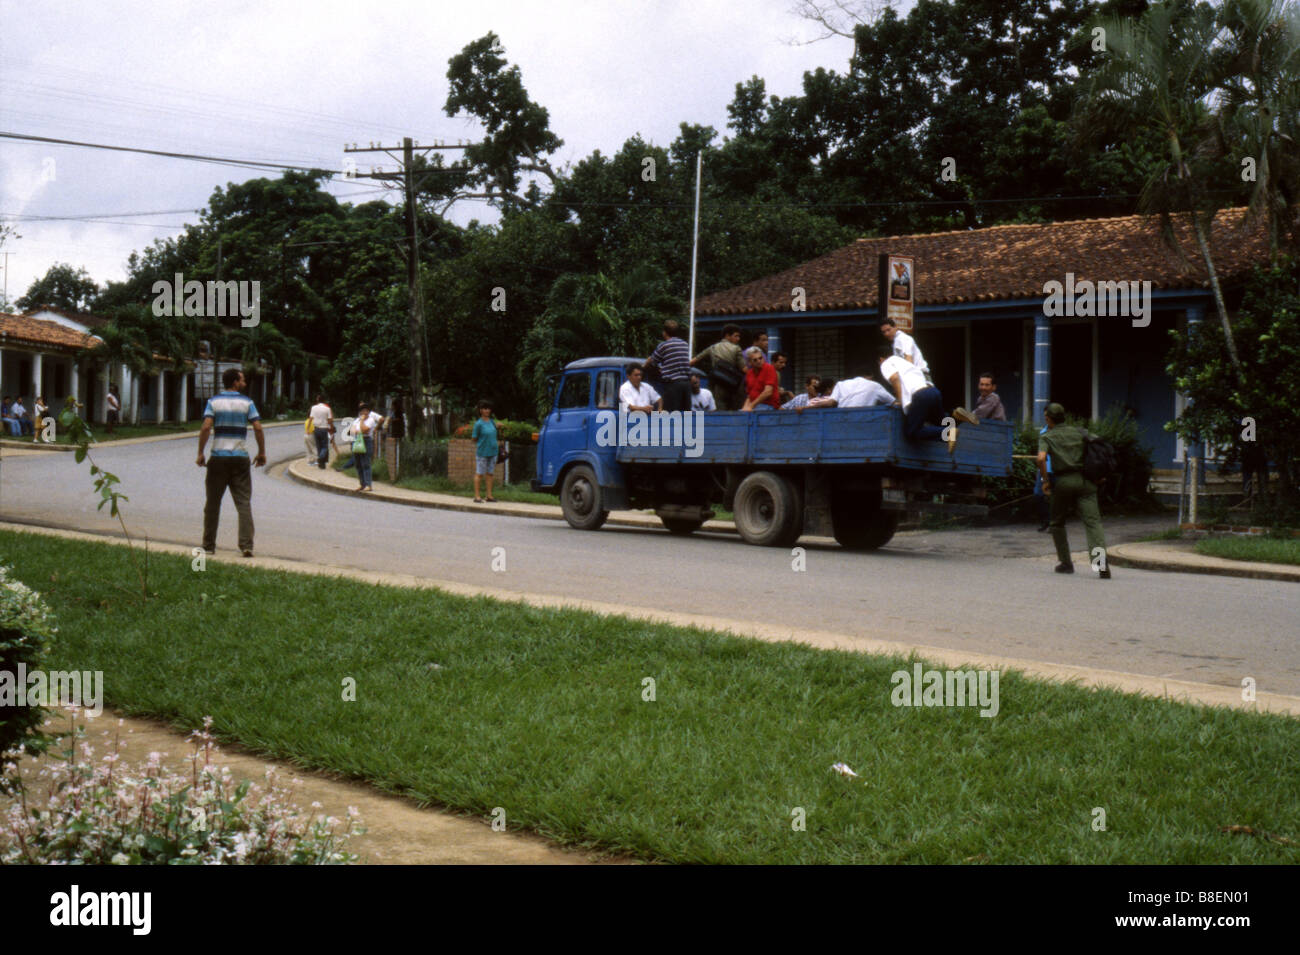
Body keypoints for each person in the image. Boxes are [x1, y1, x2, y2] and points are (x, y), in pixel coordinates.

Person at [196, 368, 265, 557]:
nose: (244, 383)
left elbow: (206, 426)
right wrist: (262, 452)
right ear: (235, 382)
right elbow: (258, 427)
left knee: (212, 503)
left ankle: (208, 545)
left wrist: (200, 452)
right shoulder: (247, 403)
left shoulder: (213, 402)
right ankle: (246, 545)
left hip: (218, 457)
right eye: (242, 380)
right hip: (240, 458)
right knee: (243, 503)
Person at [1037, 402, 1110, 578]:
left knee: (1057, 522)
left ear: (1048, 418)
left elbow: (1041, 459)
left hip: (1063, 482)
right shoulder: (1079, 431)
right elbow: (1099, 444)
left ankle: (1066, 563)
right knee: (1093, 523)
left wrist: (1046, 480)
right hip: (1086, 481)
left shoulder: (1047, 436)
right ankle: (1100, 565)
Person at [877, 345, 977, 453]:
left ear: (880, 359)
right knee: (942, 422)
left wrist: (900, 400)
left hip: (920, 395)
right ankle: (955, 415)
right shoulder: (904, 362)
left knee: (912, 432)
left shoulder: (886, 363)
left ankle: (948, 432)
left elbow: (894, 378)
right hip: (932, 391)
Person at [690, 324, 746, 411]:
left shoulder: (713, 347)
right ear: (727, 335)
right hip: (732, 385)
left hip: (717, 384)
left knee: (718, 408)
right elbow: (744, 369)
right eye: (736, 336)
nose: (738, 339)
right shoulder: (736, 348)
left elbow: (694, 360)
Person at [645, 319, 692, 413]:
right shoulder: (684, 344)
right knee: (686, 416)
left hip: (673, 385)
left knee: (671, 415)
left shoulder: (664, 346)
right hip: (686, 385)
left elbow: (652, 362)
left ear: (664, 333)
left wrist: (645, 364)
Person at [805, 373, 894, 410]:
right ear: (868, 377)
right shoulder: (875, 385)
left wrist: (806, 408)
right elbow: (893, 402)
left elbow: (831, 403)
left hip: (841, 421)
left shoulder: (840, 384)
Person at [472, 400, 499, 503]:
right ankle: (477, 496)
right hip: (482, 453)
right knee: (479, 474)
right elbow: (474, 438)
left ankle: (489, 496)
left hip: (493, 452)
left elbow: (494, 433)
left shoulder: (492, 422)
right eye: (484, 408)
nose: (487, 410)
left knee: (490, 474)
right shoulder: (478, 424)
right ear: (480, 410)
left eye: (488, 408)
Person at [348, 402, 377, 492]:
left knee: (366, 463)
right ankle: (362, 484)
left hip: (366, 441)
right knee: (358, 464)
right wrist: (358, 428)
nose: (364, 413)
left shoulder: (370, 420)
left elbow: (365, 430)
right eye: (362, 411)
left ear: (368, 412)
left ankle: (368, 484)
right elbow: (351, 431)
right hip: (357, 441)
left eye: (366, 411)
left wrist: (361, 421)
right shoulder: (356, 420)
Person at [741, 346, 780, 411]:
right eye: (755, 360)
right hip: (755, 405)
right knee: (739, 415)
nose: (759, 361)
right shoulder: (749, 373)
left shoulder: (769, 368)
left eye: (760, 358)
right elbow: (749, 396)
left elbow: (768, 392)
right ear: (750, 362)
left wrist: (751, 406)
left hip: (769, 405)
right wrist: (744, 408)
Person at [1032, 424, 1051, 532]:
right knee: (1038, 495)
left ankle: (1053, 523)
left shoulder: (1059, 432)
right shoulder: (1043, 431)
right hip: (1043, 469)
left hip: (1054, 470)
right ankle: (1046, 521)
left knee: (1054, 497)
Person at [308, 394, 333, 469]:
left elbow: (310, 418)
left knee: (319, 446)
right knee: (324, 446)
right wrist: (330, 426)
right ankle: (321, 458)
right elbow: (330, 419)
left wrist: (308, 428)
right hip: (324, 428)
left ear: (318, 399)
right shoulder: (327, 409)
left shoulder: (313, 408)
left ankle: (321, 463)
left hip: (316, 428)